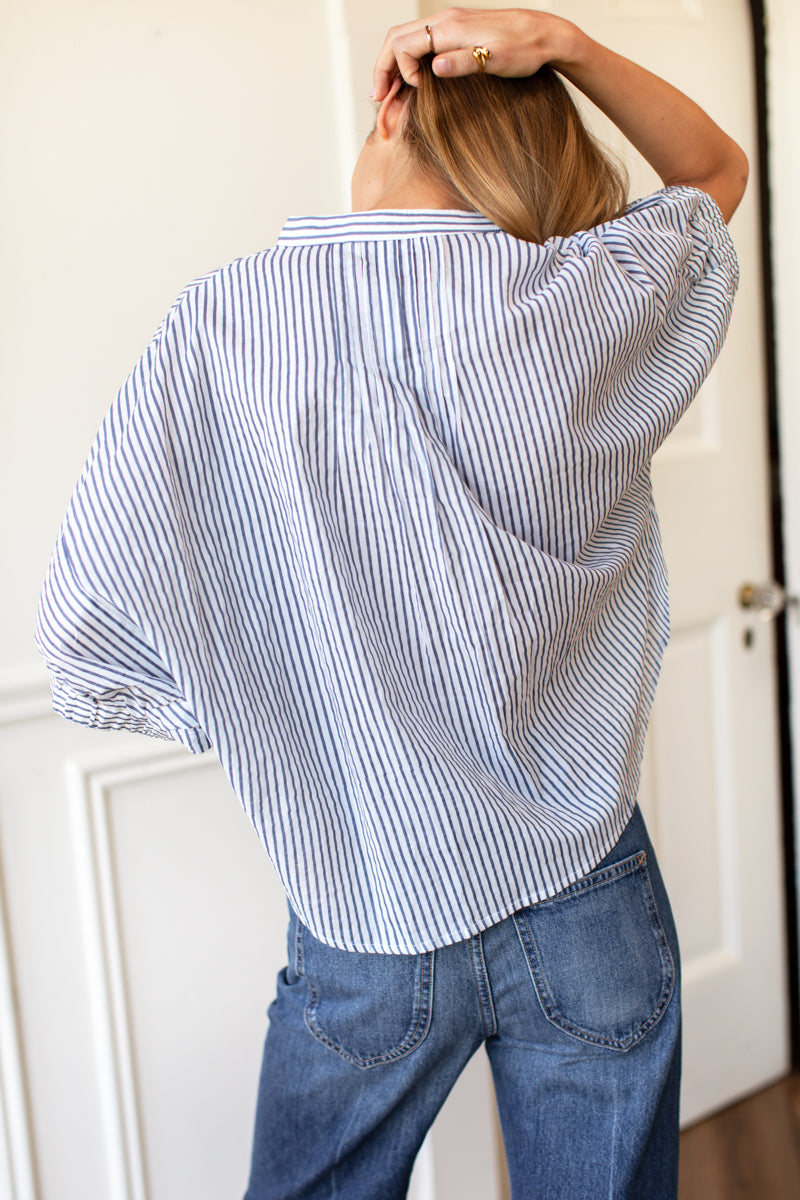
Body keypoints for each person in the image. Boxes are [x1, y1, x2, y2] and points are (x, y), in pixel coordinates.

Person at [35, 6, 747, 1198]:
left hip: (366, 902)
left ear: (387, 108)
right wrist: (563, 44)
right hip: (589, 897)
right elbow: (713, 171)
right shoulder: (589, 299)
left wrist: (294, 713)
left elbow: (90, 645)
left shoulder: (224, 330)